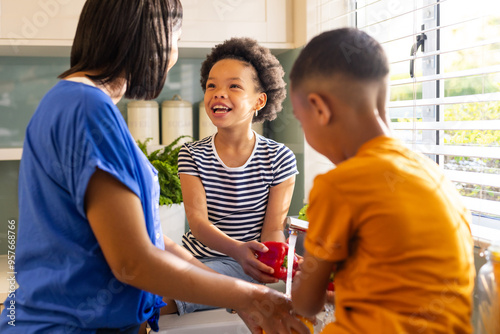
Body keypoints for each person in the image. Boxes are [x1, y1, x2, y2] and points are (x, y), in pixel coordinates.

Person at [0, 1, 310, 333]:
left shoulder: (70, 102)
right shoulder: (88, 112)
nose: (173, 55)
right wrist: (251, 297)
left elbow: (153, 238)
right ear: (152, 39)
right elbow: (133, 263)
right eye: (174, 40)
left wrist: (239, 295)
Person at [289, 28, 475, 333]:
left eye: (300, 120)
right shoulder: (434, 176)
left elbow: (306, 303)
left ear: (319, 108)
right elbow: (400, 297)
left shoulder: (340, 184)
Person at [164, 37, 298, 315]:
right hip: (191, 256)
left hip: (240, 265)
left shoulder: (279, 158)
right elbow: (198, 223)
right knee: (129, 285)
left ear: (259, 101)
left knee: (149, 301)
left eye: (234, 86)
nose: (218, 93)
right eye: (211, 85)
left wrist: (279, 263)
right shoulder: (192, 154)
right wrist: (236, 248)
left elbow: (273, 229)